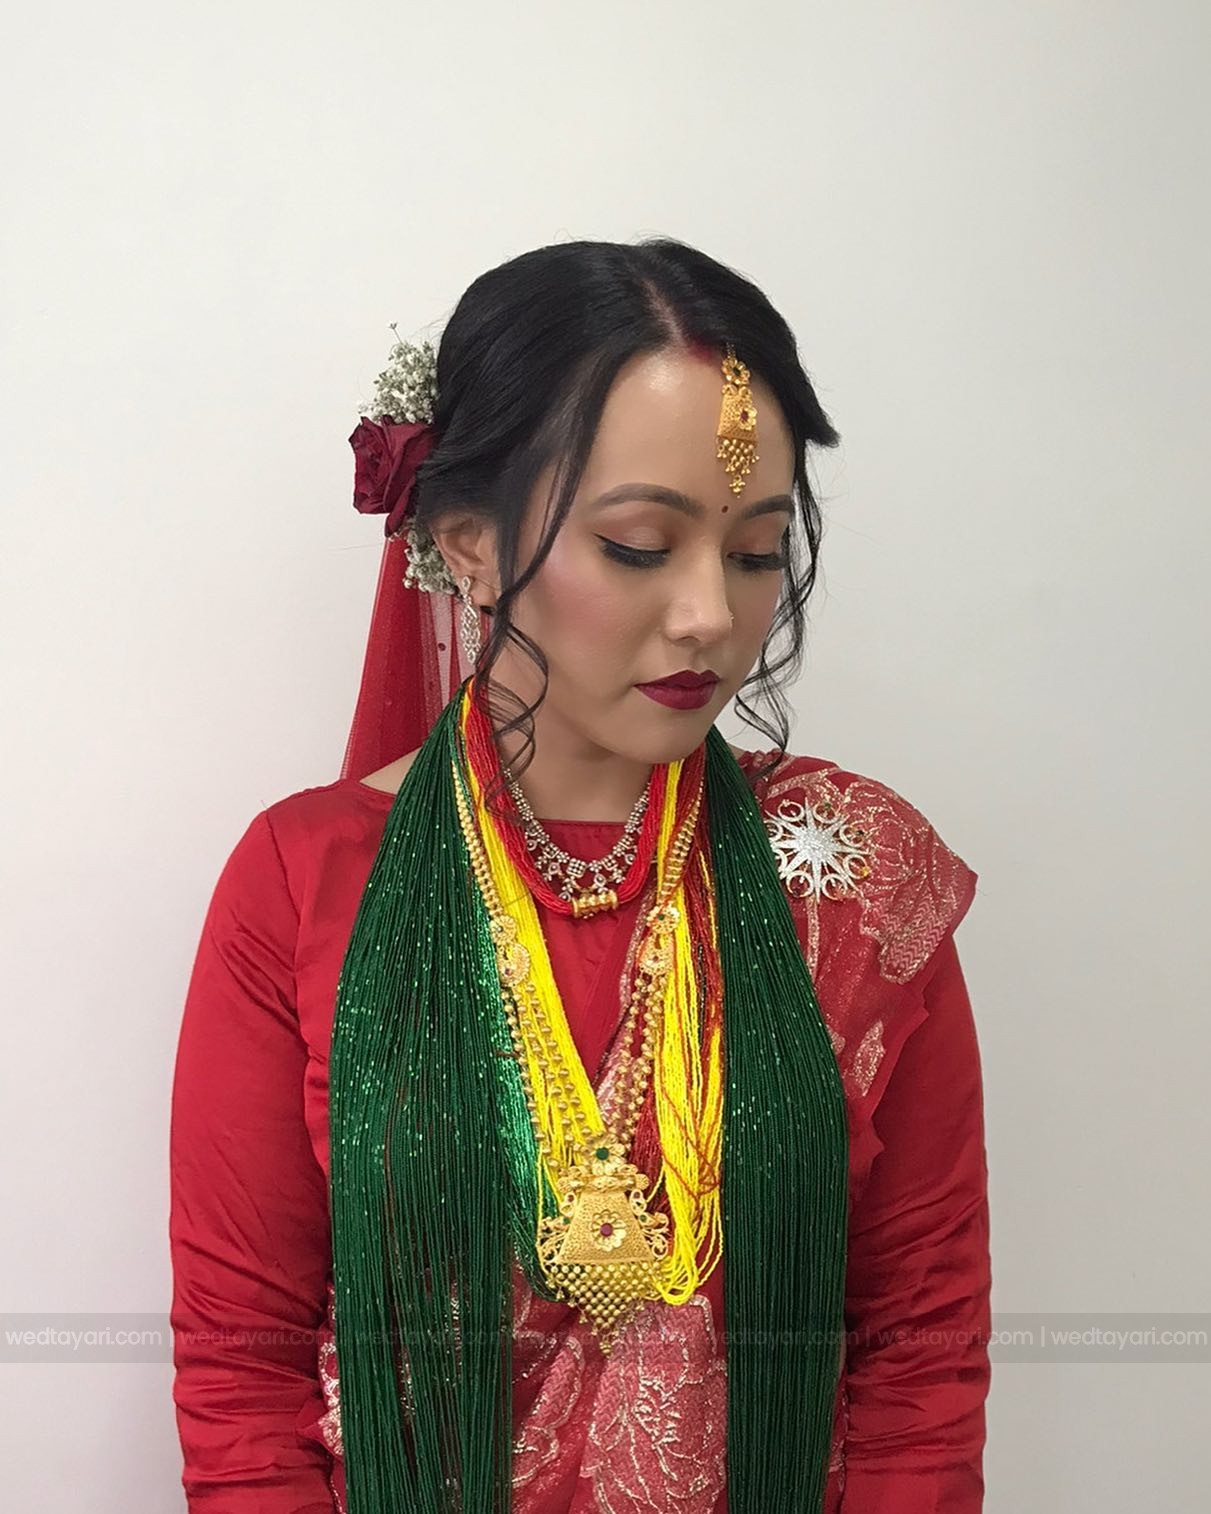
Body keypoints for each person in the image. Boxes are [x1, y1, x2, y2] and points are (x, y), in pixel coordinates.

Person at [169, 237, 991, 1513]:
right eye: (639, 545)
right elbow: (242, 1369)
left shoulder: (850, 879)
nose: (711, 614)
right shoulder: (304, 880)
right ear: (469, 544)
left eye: (755, 552)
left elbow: (920, 1348)